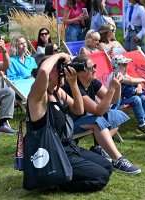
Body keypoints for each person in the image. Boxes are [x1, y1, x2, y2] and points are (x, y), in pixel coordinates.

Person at [29, 52, 112, 192]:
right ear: (51, 71)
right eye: (59, 68)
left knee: (107, 166)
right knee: (101, 177)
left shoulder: (57, 92)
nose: (63, 71)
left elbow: (79, 110)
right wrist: (60, 54)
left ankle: (63, 174)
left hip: (68, 147)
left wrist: (73, 84)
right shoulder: (37, 96)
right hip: (52, 152)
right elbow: (43, 71)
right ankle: (56, 182)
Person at [63, 55, 141, 175]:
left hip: (83, 119)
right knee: (97, 121)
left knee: (117, 115)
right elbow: (98, 110)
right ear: (81, 73)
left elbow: (114, 100)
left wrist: (117, 84)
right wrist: (111, 88)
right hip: (69, 125)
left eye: (95, 66)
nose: (95, 69)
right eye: (91, 67)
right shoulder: (73, 86)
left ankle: (99, 148)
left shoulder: (92, 82)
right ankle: (117, 160)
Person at [107, 55, 145, 138]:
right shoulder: (115, 76)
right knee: (136, 99)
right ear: (116, 67)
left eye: (126, 64)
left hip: (123, 98)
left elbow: (133, 81)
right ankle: (141, 124)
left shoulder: (123, 74)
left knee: (144, 98)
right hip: (115, 102)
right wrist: (143, 80)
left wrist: (139, 86)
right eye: (124, 65)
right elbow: (131, 81)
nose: (126, 67)